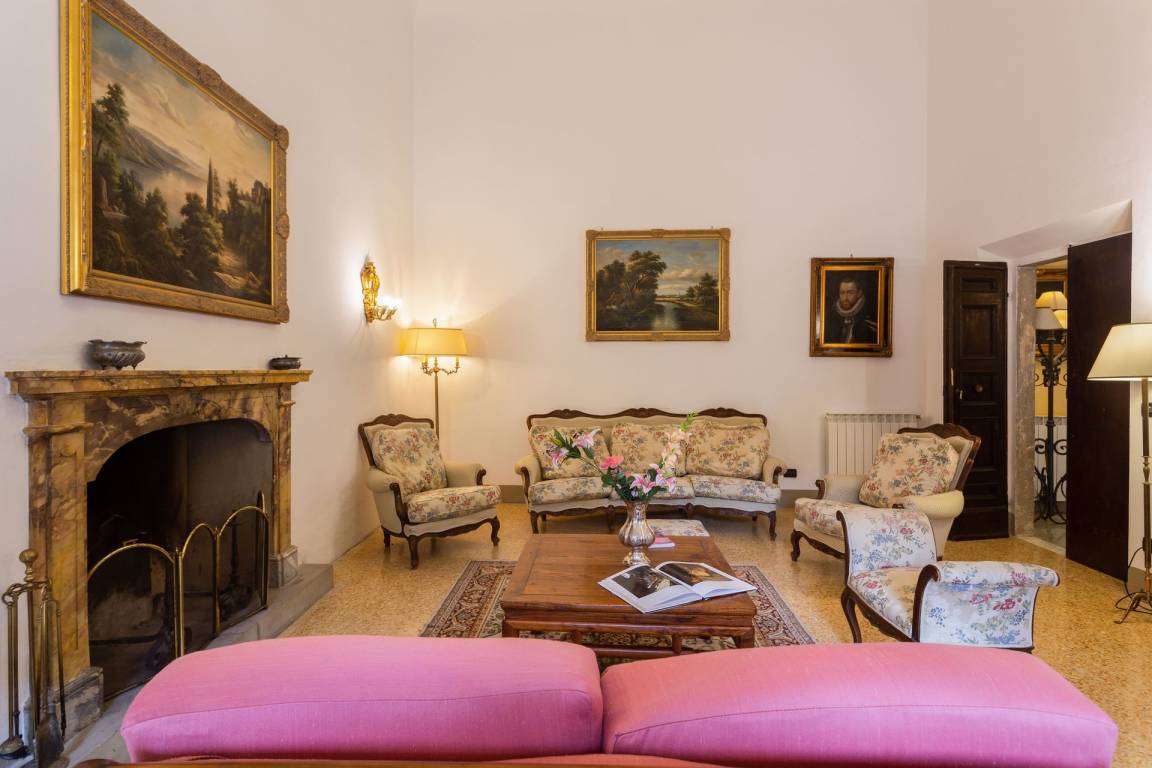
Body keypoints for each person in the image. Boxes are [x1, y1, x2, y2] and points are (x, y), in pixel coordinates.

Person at [824, 275, 878, 344]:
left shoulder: (869, 321)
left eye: (850, 293)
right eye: (842, 293)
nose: (845, 297)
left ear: (859, 293)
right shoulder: (829, 318)